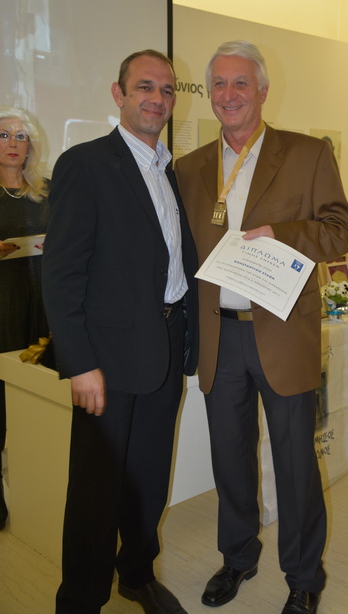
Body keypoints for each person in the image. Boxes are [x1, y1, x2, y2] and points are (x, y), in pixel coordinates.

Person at [174, 40, 348, 614]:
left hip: (283, 332)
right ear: (209, 93)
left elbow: (341, 230)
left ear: (262, 90)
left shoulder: (307, 154)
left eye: (240, 83)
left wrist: (284, 235)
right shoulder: (189, 168)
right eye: (219, 84)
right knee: (229, 459)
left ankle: (303, 577)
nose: (228, 94)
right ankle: (238, 557)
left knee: (296, 463)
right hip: (219, 336)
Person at [42, 50, 198, 614]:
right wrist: (80, 363)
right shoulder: (85, 164)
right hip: (106, 361)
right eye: (145, 87)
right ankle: (81, 599)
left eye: (167, 90)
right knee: (95, 488)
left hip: (165, 345)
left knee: (149, 477)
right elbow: (61, 274)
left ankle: (136, 574)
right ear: (119, 94)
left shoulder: (169, 170)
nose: (157, 99)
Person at [0, 106, 50, 530]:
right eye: (4, 135)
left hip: (43, 305)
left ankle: (39, 489)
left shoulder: (47, 191)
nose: (13, 143)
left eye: (20, 135)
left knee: (39, 394)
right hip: (3, 305)